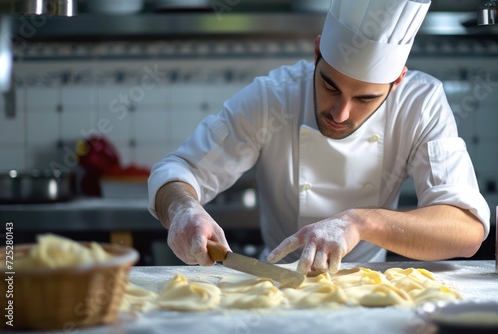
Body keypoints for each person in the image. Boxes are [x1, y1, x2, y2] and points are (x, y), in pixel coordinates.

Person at [148, 0, 491, 274]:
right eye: (329, 86)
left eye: (365, 99)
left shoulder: (421, 103)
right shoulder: (272, 98)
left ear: (397, 81)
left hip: (370, 288)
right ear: (317, 52)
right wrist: (183, 209)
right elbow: (177, 170)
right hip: (276, 288)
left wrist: (360, 222)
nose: (340, 113)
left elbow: (465, 228)